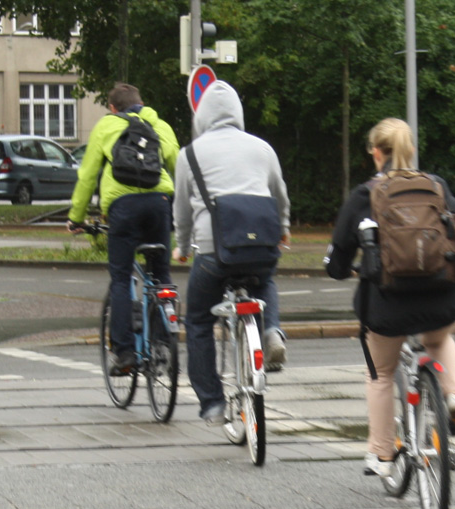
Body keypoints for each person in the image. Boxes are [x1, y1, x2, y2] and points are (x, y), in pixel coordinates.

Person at [325, 117, 455, 477]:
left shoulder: (366, 194)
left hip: (388, 305)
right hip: (442, 296)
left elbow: (340, 254)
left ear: (377, 152)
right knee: (439, 338)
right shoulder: (436, 186)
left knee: (380, 373)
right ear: (410, 150)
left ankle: (382, 454)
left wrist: (343, 269)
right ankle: (453, 396)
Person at [172, 81, 291, 424]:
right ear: (238, 112)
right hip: (261, 245)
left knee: (197, 321)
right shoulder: (262, 149)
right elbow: (279, 195)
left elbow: (181, 210)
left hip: (212, 253)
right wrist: (282, 229)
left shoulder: (189, 154)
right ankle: (271, 331)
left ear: (202, 116)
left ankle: (211, 402)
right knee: (264, 280)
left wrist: (182, 246)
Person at [67, 82, 180, 374]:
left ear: (113, 108)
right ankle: (164, 343)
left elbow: (88, 174)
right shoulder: (160, 124)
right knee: (161, 274)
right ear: (141, 102)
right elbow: (176, 163)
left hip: (122, 207)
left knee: (121, 277)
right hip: (159, 202)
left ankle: (126, 352)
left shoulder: (106, 126)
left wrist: (76, 217)